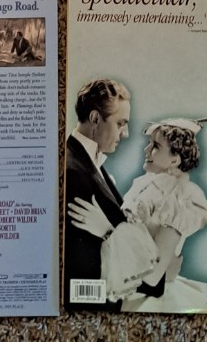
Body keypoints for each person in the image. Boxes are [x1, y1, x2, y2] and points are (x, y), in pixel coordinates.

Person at [65, 79, 166, 312]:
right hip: (95, 309)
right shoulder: (74, 172)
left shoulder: (86, 161)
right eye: (120, 123)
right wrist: (111, 232)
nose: (126, 133)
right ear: (95, 119)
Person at [114, 121, 207, 311]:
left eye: (155, 146)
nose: (146, 150)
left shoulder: (177, 198)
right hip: (131, 289)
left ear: (175, 160)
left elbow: (153, 277)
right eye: (149, 143)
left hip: (151, 297)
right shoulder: (147, 187)